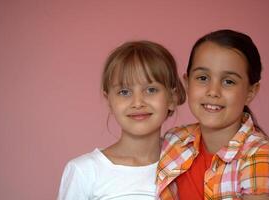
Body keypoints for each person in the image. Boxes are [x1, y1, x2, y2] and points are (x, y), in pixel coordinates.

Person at [156, 30, 269, 200]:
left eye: (228, 81)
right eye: (202, 78)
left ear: (250, 92)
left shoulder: (259, 157)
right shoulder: (174, 141)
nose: (213, 91)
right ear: (187, 83)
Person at [57, 40, 186, 200]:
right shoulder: (85, 172)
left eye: (151, 90)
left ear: (172, 98)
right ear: (109, 101)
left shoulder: (186, 164)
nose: (138, 102)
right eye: (124, 92)